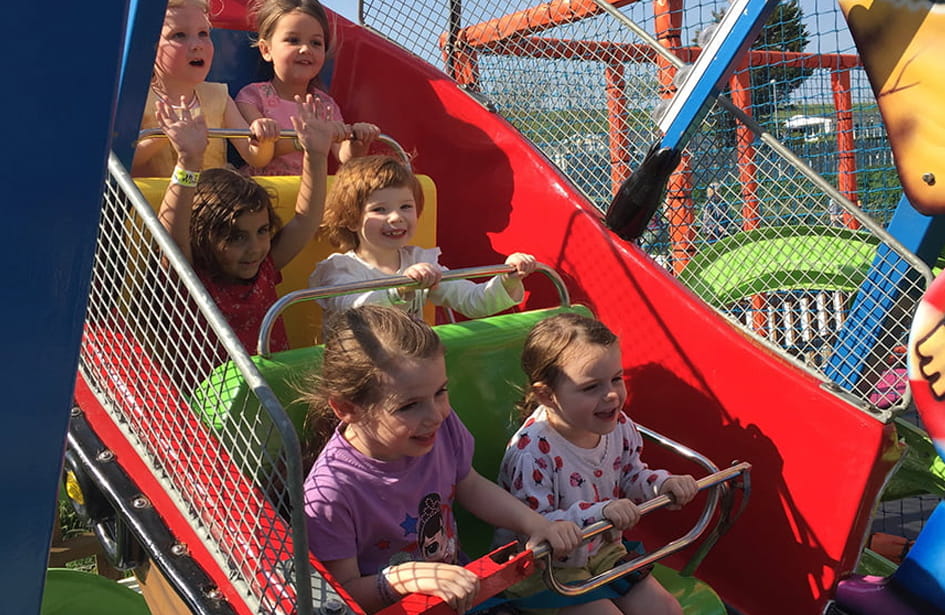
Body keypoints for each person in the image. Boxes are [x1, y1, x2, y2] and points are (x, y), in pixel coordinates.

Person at [301, 305, 584, 614]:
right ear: (347, 408)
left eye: (441, 392)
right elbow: (343, 596)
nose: (436, 415)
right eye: (409, 406)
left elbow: (469, 484)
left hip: (461, 592)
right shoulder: (328, 494)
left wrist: (535, 523)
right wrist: (401, 579)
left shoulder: (438, 429)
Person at [496, 312, 699, 615]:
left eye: (616, 378)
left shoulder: (619, 426)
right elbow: (536, 529)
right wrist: (601, 513)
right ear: (547, 395)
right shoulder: (533, 451)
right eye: (591, 387)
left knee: (667, 609)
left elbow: (632, 473)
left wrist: (662, 484)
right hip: (542, 571)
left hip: (601, 551)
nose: (612, 395)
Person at [155, 91, 348, 353]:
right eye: (237, 237)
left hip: (268, 385)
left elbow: (307, 219)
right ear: (202, 236)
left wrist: (315, 154)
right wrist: (188, 162)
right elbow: (170, 238)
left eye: (262, 231)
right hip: (208, 391)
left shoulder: (264, 270)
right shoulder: (191, 278)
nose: (255, 247)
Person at [308, 155, 538, 325]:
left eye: (406, 206)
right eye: (380, 209)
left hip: (409, 369)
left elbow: (472, 301)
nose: (396, 217)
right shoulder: (341, 269)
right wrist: (399, 289)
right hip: (358, 372)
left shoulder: (418, 260)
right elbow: (352, 309)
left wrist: (508, 280)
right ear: (352, 220)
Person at [133, 0, 281, 178]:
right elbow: (121, 160)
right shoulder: (137, 99)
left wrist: (262, 141)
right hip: (156, 201)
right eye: (179, 35)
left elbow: (254, 158)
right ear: (151, 47)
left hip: (215, 199)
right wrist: (164, 134)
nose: (197, 44)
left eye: (203, 33)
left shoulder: (218, 96)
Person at [236, 0, 380, 175]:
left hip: (309, 191)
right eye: (293, 40)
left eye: (316, 43)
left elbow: (343, 155)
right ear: (266, 49)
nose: (305, 49)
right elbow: (266, 151)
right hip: (261, 192)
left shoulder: (326, 105)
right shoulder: (252, 97)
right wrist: (308, 139)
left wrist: (357, 143)